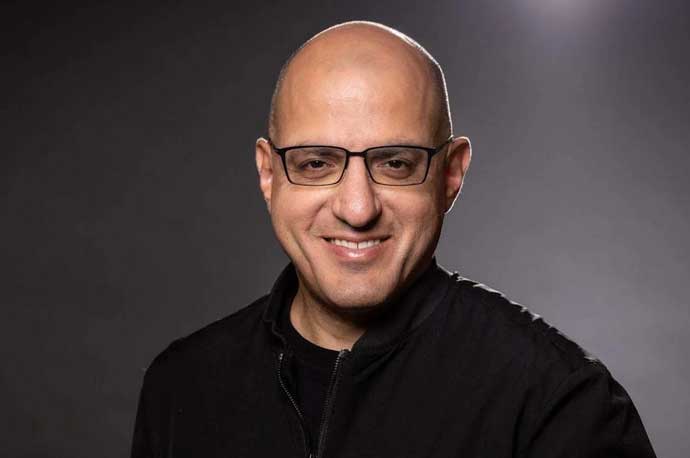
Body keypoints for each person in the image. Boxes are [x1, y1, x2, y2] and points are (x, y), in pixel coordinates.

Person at [131, 21, 657, 457]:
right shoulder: (182, 386)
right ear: (269, 175)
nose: (357, 209)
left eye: (396, 164)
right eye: (316, 164)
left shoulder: (558, 402)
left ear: (451, 175)